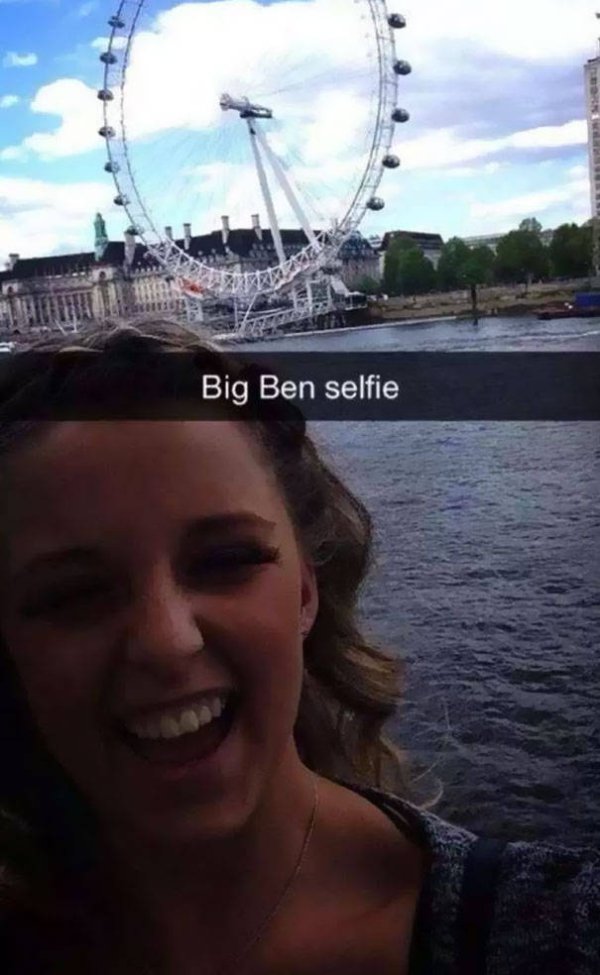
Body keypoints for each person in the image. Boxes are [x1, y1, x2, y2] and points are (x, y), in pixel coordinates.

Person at [0, 319, 597, 975]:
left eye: (226, 559)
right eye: (74, 594)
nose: (167, 641)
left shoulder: (560, 934)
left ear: (307, 591)